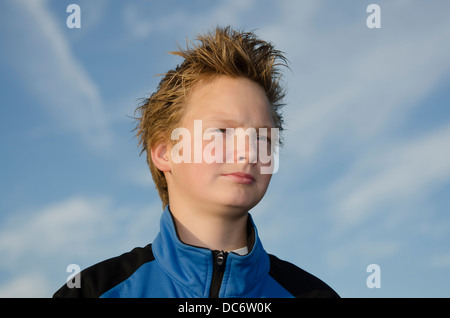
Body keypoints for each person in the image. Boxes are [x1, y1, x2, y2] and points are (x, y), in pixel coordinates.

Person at [53, 26, 339, 298]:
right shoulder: (92, 291)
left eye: (262, 137)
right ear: (165, 152)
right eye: (222, 132)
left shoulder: (314, 294)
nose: (248, 152)